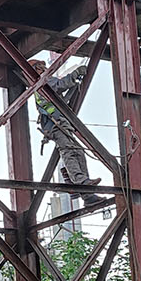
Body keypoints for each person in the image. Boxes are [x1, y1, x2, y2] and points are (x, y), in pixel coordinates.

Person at [29, 58, 104, 208]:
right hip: (55, 124)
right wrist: (76, 73)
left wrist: (76, 84)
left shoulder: (40, 85)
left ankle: (87, 194)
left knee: (78, 152)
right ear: (37, 68)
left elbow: (61, 97)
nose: (45, 69)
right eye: (42, 67)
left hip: (59, 123)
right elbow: (60, 85)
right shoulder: (43, 82)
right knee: (69, 151)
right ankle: (80, 182)